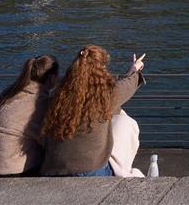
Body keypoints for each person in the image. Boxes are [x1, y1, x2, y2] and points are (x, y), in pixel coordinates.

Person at [40, 45, 145, 177]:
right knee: (125, 122)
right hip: (91, 172)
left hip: (55, 169)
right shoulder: (105, 96)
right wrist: (135, 70)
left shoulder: (59, 94)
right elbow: (127, 86)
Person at [0, 55, 60, 178]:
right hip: (3, 170)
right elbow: (47, 141)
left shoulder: (10, 94)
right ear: (52, 78)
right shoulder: (39, 103)